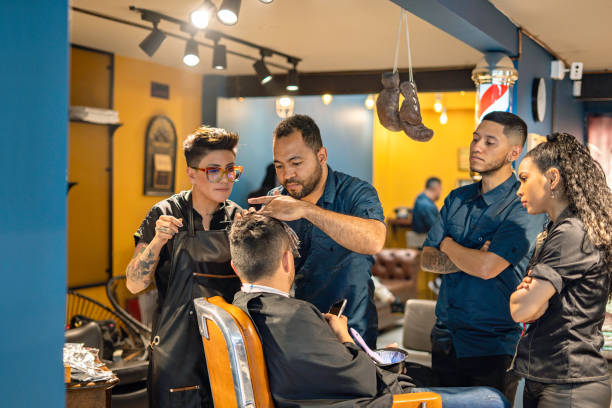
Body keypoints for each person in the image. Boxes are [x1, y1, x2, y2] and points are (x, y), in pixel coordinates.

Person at [228, 213, 509, 408]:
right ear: (288, 260)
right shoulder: (295, 315)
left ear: (235, 267)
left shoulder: (239, 307)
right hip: (365, 399)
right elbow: (361, 381)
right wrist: (345, 338)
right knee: (491, 399)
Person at [420, 111, 545, 404]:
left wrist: (447, 244)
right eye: (476, 139)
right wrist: (473, 256)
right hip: (444, 339)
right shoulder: (456, 198)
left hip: (493, 345)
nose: (477, 147)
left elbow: (488, 268)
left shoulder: (523, 204)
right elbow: (426, 259)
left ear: (514, 152)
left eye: (490, 142)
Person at [125, 126, 243, 408]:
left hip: (227, 350)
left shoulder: (239, 218)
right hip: (176, 353)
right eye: (213, 170)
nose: (225, 179)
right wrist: (157, 241)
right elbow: (134, 283)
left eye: (231, 170)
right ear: (191, 172)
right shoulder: (163, 214)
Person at [248, 114, 385, 347]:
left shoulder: (356, 192)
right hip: (293, 331)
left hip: (350, 333)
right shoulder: (276, 200)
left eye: (296, 163)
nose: (286, 175)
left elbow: (374, 240)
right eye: (279, 166)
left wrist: (305, 210)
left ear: (321, 156)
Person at [509, 133, 612, 408]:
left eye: (524, 179)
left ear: (552, 179)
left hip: (570, 386)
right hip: (553, 378)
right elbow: (531, 307)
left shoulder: (571, 233)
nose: (519, 190)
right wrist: (533, 297)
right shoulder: (557, 230)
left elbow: (522, 309)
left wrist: (526, 295)